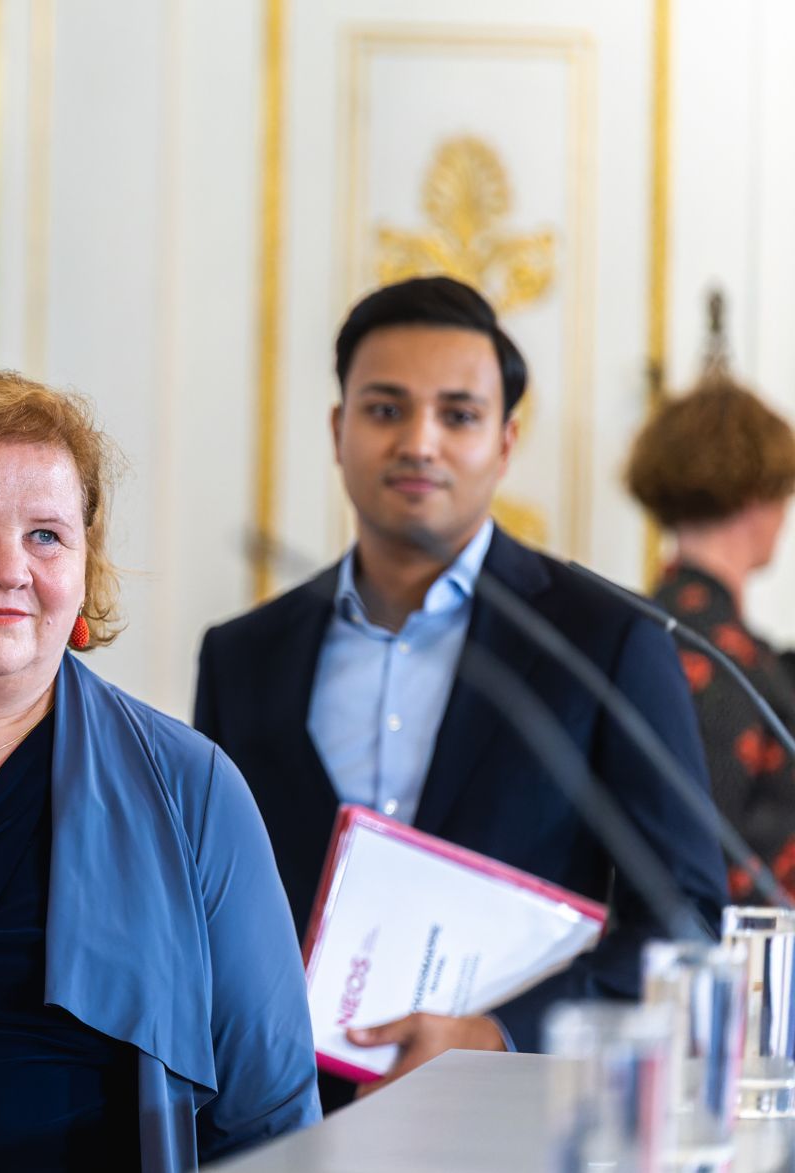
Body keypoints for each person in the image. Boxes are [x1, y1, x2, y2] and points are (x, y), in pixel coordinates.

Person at [193, 276, 727, 1103]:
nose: (420, 441)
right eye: (384, 409)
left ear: (506, 441)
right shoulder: (243, 655)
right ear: (338, 431)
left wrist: (500, 1035)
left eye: (458, 414)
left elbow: (686, 921)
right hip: (285, 1118)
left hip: (518, 1117)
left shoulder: (605, 638)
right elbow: (209, 910)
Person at [0, 372, 320, 1173]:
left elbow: (274, 1122)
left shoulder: (192, 788)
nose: (9, 569)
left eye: (46, 536)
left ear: (85, 564)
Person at [627, 376, 795, 897]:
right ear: (755, 494)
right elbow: (705, 861)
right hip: (734, 964)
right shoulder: (715, 657)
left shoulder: (652, 626)